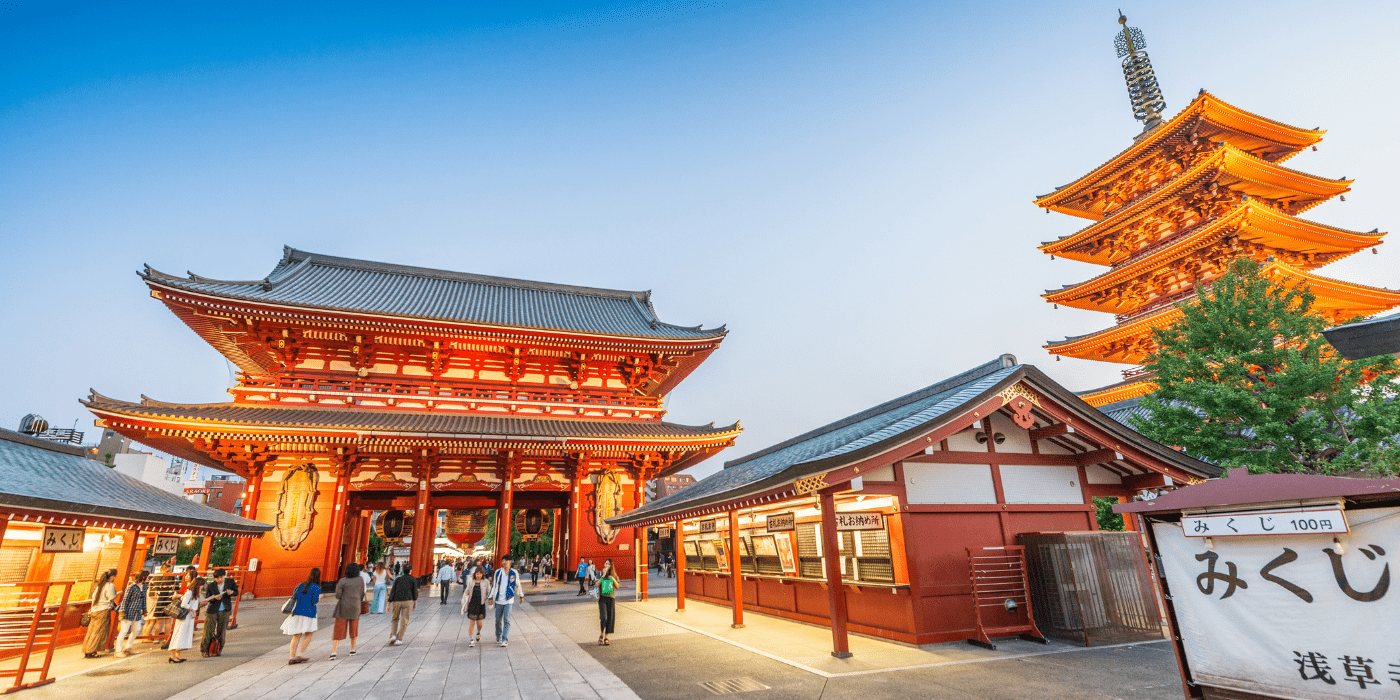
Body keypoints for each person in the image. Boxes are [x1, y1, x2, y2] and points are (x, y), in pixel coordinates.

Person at [280, 568, 321, 665]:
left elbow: (294, 596)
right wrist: (320, 597)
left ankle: (291, 657)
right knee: (309, 634)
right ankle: (300, 654)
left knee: (296, 636)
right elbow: (314, 602)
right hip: (309, 613)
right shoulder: (316, 587)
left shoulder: (299, 585)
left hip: (297, 612)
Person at [330, 563, 365, 660]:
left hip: (343, 607)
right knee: (354, 629)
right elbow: (362, 593)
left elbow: (337, 595)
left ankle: (334, 652)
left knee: (338, 630)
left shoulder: (342, 581)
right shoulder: (360, 580)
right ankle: (352, 650)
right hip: (355, 607)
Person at [200, 568, 237, 657]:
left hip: (225, 609)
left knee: (222, 631)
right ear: (214, 578)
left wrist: (231, 592)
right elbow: (208, 597)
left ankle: (218, 650)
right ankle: (204, 650)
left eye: (221, 577)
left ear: (224, 576)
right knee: (208, 630)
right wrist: (214, 598)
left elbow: (236, 592)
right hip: (213, 609)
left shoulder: (230, 582)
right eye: (217, 578)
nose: (220, 579)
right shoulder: (211, 585)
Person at [83, 570, 119, 658]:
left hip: (94, 610)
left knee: (92, 631)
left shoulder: (99, 586)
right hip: (103, 610)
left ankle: (87, 650)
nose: (115, 578)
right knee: (99, 631)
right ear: (112, 577)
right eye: (115, 576)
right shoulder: (110, 585)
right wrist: (118, 593)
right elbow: (111, 597)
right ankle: (92, 651)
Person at [114, 571, 148, 658]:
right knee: (124, 631)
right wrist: (122, 612)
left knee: (137, 629)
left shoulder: (144, 586)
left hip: (137, 612)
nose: (148, 578)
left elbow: (143, 599)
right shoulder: (131, 587)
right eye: (147, 576)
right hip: (128, 611)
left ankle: (128, 647)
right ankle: (118, 650)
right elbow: (125, 600)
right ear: (143, 577)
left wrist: (144, 610)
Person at [168, 576, 203, 663]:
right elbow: (184, 604)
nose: (202, 587)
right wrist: (192, 610)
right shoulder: (189, 592)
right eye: (201, 585)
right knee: (178, 634)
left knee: (182, 635)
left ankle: (177, 655)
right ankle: (172, 656)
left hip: (188, 617)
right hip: (184, 616)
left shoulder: (193, 593)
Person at [489, 554, 521, 647]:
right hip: (499, 600)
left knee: (507, 620)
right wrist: (490, 597)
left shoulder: (514, 573)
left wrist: (521, 594)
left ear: (510, 561)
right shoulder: (498, 572)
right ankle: (498, 636)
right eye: (502, 561)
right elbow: (494, 585)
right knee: (498, 620)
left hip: (509, 600)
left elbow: (517, 584)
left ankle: (504, 639)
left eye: (505, 561)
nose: (503, 562)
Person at [460, 567, 491, 648]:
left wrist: (490, 599)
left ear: (483, 574)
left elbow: (489, 592)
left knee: (479, 623)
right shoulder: (471, 581)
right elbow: (466, 591)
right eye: (477, 573)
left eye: (480, 574)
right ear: (475, 574)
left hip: (481, 604)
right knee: (472, 622)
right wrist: (464, 600)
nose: (479, 575)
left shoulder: (486, 582)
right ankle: (471, 639)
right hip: (472, 603)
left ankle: (478, 632)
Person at [387, 566, 417, 646]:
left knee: (394, 619)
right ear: (411, 570)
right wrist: (415, 602)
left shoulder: (398, 579)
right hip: (408, 600)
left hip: (396, 601)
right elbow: (414, 591)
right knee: (404, 620)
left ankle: (393, 635)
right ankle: (399, 639)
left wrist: (388, 603)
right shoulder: (413, 579)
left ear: (403, 571)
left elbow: (393, 591)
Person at [596, 559, 620, 646]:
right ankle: (601, 634)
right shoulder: (600, 573)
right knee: (604, 617)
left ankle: (606, 637)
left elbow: (617, 586)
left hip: (611, 598)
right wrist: (603, 576)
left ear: (611, 566)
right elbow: (596, 584)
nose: (606, 565)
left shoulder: (613, 575)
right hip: (602, 598)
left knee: (610, 618)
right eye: (605, 563)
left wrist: (613, 579)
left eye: (608, 564)